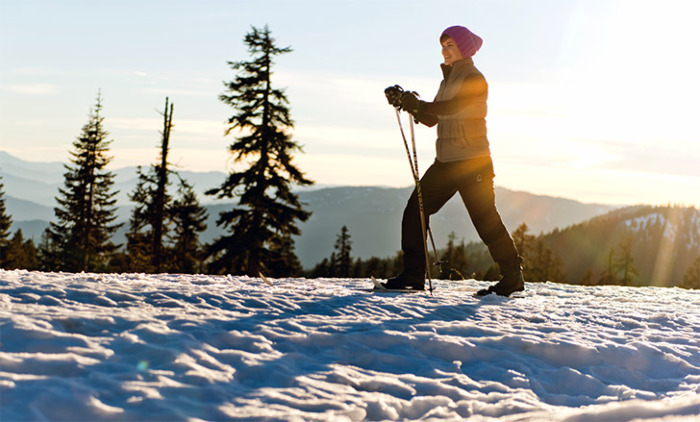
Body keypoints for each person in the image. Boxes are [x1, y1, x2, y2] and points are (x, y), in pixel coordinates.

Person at [383, 25, 524, 297]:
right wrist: (406, 104)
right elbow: (433, 118)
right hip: (446, 163)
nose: (444, 50)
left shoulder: (474, 78)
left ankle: (512, 277)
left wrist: (420, 105)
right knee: (416, 210)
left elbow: (453, 108)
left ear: (464, 49)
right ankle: (413, 274)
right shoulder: (447, 80)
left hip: (473, 163)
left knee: (486, 221)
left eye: (450, 45)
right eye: (443, 45)